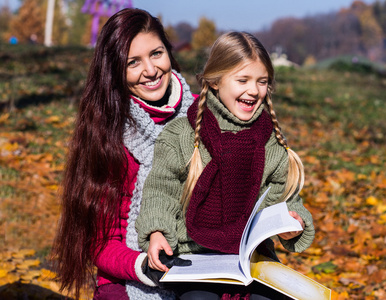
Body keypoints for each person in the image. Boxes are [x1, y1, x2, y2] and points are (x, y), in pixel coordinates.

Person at [136, 31, 315, 299]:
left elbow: (283, 197)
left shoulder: (271, 141)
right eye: (242, 80)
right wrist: (157, 231)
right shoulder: (181, 136)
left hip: (251, 259)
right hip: (194, 258)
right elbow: (161, 190)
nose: (253, 90)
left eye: (262, 81)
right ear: (216, 81)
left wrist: (292, 223)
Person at [51, 8, 196, 300]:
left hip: (198, 266)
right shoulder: (110, 137)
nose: (151, 70)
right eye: (133, 62)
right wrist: (144, 266)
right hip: (131, 273)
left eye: (156, 53)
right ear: (115, 70)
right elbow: (100, 242)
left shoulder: (202, 118)